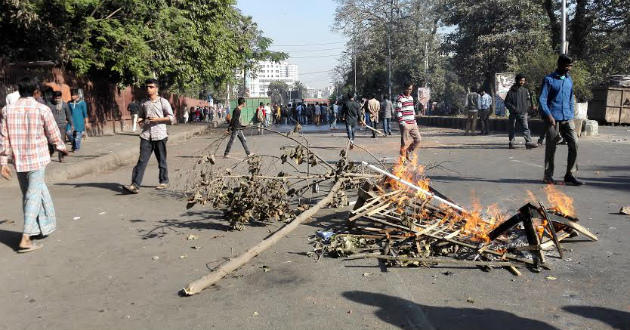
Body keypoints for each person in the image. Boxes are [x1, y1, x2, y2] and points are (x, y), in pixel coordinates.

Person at [0, 76, 68, 253]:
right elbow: (53, 133)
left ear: (19, 90)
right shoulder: (42, 109)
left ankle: (40, 227)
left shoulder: (7, 110)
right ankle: (26, 237)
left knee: (31, 193)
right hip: (37, 158)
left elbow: (3, 139)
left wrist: (2, 162)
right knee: (33, 194)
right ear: (36, 92)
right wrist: (61, 146)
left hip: (19, 160)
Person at [123, 78, 175, 194]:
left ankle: (164, 180)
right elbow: (141, 116)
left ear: (156, 89)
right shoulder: (144, 102)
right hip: (146, 136)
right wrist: (140, 121)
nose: (148, 89)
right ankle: (135, 185)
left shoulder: (163, 102)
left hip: (160, 135)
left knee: (161, 160)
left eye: (151, 87)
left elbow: (171, 118)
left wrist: (158, 119)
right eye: (147, 87)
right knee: (142, 161)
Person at [539, 54, 583, 186]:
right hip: (552, 118)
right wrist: (548, 115)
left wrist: (571, 114)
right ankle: (548, 176)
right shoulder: (549, 80)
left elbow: (570, 99)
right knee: (551, 147)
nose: (569, 68)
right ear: (560, 65)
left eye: (570, 66)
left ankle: (570, 174)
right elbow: (542, 99)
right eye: (567, 65)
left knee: (575, 143)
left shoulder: (569, 80)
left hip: (567, 117)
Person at [505, 74, 538, 149]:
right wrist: (514, 108)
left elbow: (528, 101)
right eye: (521, 80)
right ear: (517, 80)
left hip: (523, 113)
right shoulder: (511, 92)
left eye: (523, 80)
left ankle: (528, 142)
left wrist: (527, 109)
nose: (522, 82)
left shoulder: (525, 90)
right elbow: (507, 102)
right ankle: (511, 142)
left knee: (525, 128)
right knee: (512, 128)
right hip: (513, 113)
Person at [396, 83, 422, 161]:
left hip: (412, 123)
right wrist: (403, 123)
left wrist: (415, 122)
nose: (408, 91)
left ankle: (408, 151)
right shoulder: (400, 98)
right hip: (405, 124)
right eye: (407, 89)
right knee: (404, 143)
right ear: (404, 88)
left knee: (418, 139)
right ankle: (402, 161)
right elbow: (398, 111)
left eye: (410, 89)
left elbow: (412, 110)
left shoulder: (411, 98)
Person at [46, 91, 72, 162]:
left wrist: (72, 124)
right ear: (53, 97)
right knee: (51, 142)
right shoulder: (49, 105)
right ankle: (49, 154)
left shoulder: (64, 105)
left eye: (58, 98)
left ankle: (61, 157)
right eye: (55, 98)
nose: (57, 99)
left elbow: (69, 115)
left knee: (61, 142)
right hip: (51, 126)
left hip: (62, 126)